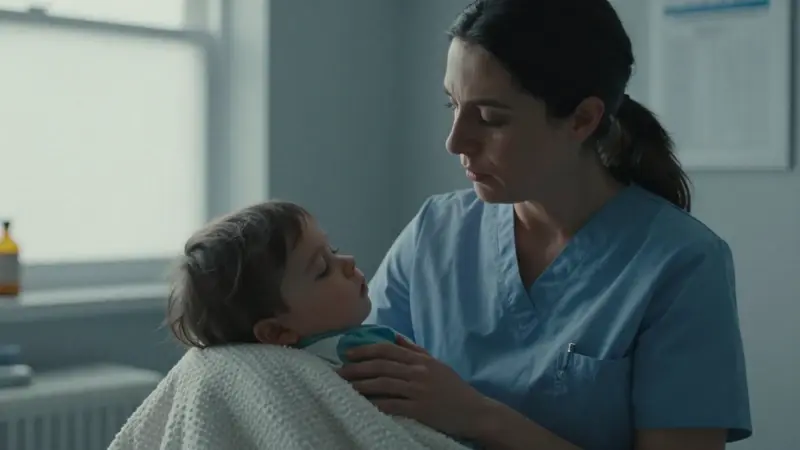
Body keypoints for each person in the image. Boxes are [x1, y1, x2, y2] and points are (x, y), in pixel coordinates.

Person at [336, 1, 752, 449]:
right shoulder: (433, 235)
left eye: (490, 118)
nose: (455, 141)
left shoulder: (681, 264)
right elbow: (342, 390)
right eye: (452, 105)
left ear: (582, 119)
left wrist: (477, 416)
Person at [166, 201, 402, 367]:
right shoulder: (359, 356)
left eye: (333, 250)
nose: (348, 262)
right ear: (277, 332)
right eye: (323, 269)